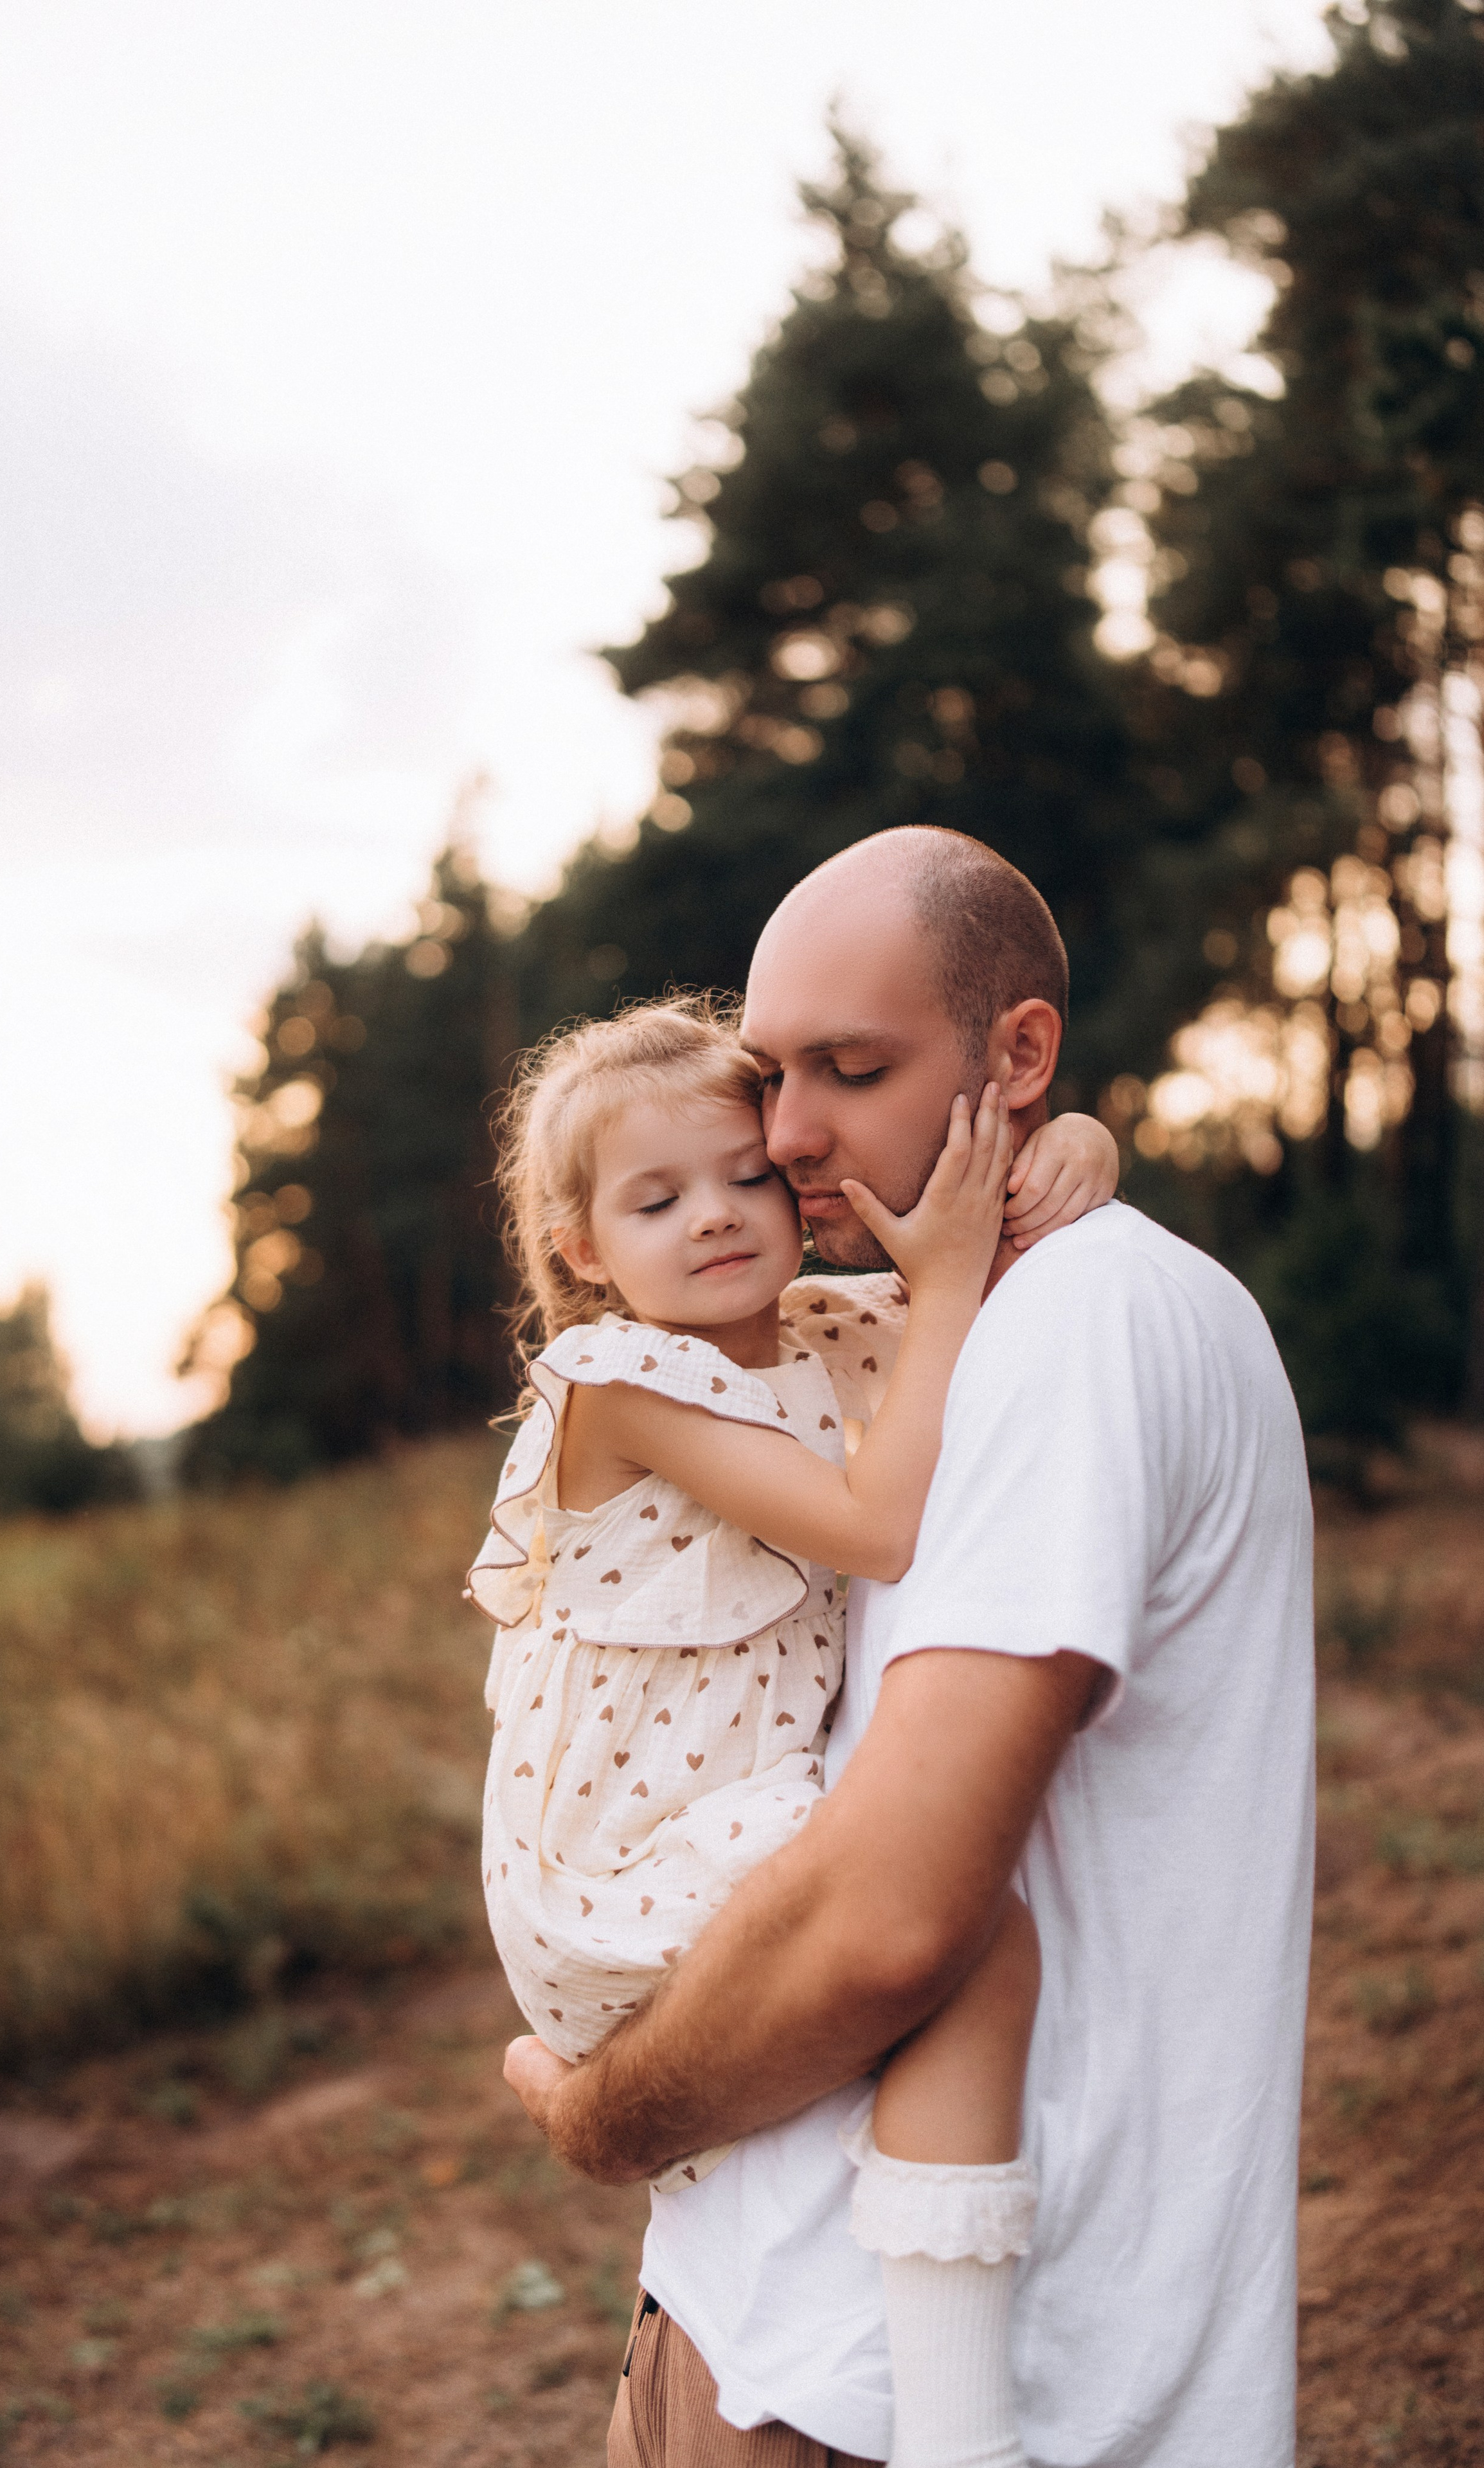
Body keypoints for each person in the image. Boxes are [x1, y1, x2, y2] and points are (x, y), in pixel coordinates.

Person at [503, 828, 1316, 2468]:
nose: (783, 1142)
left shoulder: (1064, 1320)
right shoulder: (880, 1327)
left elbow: (888, 1927)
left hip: (866, 2381)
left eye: (849, 1071)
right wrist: (1041, 1160)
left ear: (1012, 1053)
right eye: (766, 1081)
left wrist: (602, 2120)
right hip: (773, 2311)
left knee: (961, 1944)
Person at [469, 995, 1120, 2467]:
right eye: (656, 1198)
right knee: (962, 1924)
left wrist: (1073, 1142)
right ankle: (961, 2433)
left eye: (743, 1175)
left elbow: (1003, 1273)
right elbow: (874, 1525)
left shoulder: (824, 1332)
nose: (713, 1215)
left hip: (729, 1803)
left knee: (930, 1905)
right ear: (585, 1252)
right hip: (618, 1860)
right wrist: (947, 1283)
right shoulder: (617, 1383)